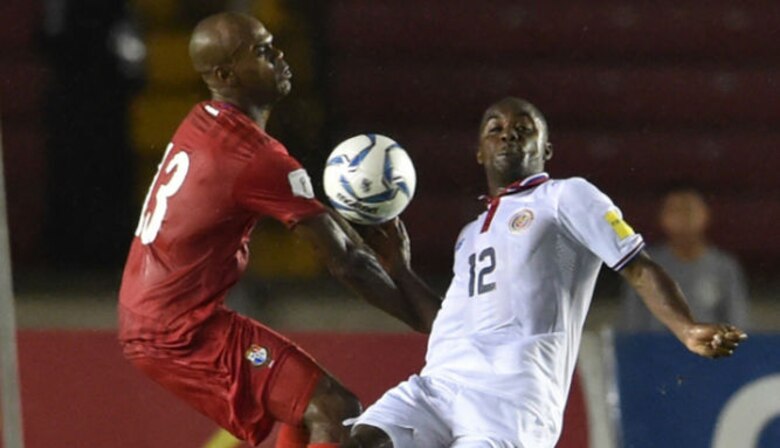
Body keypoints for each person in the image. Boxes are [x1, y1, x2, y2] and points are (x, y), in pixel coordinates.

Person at [344, 97, 748, 448]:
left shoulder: (565, 197)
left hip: (511, 399)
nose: (508, 134)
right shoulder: (471, 233)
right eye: (495, 128)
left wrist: (686, 327)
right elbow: (446, 323)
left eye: (524, 128)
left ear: (547, 149)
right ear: (480, 152)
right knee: (361, 441)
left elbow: (638, 267)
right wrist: (401, 271)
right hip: (439, 386)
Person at [117, 13, 429, 448]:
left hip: (160, 313)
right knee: (335, 411)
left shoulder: (204, 119)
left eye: (273, 45)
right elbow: (346, 261)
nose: (279, 57)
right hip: (178, 331)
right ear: (225, 74)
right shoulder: (251, 155)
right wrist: (435, 321)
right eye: (262, 52)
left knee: (306, 410)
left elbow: (335, 237)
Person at [620, 186, 750, 331]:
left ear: (705, 214)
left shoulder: (724, 266)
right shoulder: (645, 266)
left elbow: (737, 323)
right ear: (662, 217)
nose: (684, 218)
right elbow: (632, 324)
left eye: (689, 210)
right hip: (657, 350)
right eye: (675, 211)